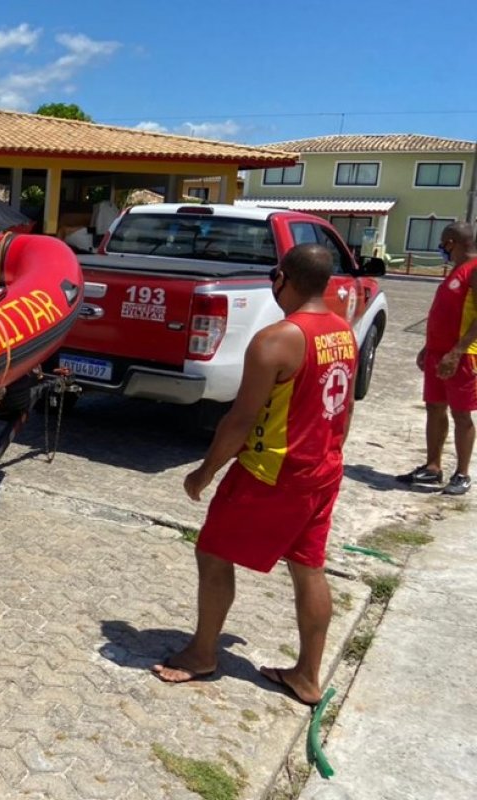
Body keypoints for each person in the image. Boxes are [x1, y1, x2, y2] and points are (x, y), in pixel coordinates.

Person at [153, 243, 358, 708]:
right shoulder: (342, 331)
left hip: (273, 472)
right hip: (323, 469)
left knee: (212, 551)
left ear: (283, 278)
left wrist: (204, 473)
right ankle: (307, 676)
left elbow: (239, 422)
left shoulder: (276, 340)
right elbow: (342, 409)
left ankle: (202, 653)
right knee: (309, 568)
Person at [395, 221, 477, 496]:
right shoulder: (454, 270)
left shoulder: (474, 270)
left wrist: (456, 352)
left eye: (443, 243)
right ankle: (433, 467)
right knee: (434, 407)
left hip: (463, 357)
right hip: (437, 353)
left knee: (461, 413)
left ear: (453, 242)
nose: (441, 248)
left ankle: (462, 473)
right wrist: (427, 348)